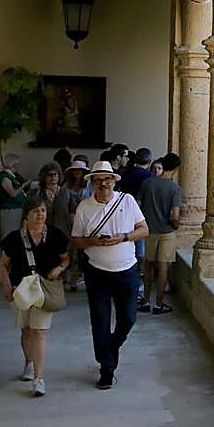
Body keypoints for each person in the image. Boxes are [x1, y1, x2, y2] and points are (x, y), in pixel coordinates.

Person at [71, 161, 148, 390]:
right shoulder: (84, 207)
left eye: (107, 179)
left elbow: (144, 229)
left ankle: (111, 348)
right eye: (98, 180)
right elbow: (75, 241)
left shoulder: (127, 201)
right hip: (97, 274)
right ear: (92, 183)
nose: (103, 183)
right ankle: (107, 368)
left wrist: (123, 237)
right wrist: (92, 241)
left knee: (128, 319)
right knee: (100, 323)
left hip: (127, 271)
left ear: (114, 181)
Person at [0, 197, 70, 396]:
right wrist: (6, 286)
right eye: (36, 211)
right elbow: (3, 264)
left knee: (39, 331)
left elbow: (66, 258)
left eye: (43, 211)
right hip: (20, 289)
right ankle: (28, 362)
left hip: (44, 290)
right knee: (27, 331)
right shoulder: (14, 238)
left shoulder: (55, 235)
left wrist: (59, 268)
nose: (40, 215)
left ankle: (39, 379)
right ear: (26, 215)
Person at [138, 153, 184, 314]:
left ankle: (145, 301)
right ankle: (159, 303)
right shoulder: (175, 188)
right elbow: (175, 215)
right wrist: (175, 225)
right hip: (166, 231)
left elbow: (138, 204)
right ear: (176, 169)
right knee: (163, 266)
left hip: (149, 229)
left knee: (148, 264)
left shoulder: (147, 183)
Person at [118, 147, 155, 300]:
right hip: (140, 215)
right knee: (139, 249)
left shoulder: (126, 173)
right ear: (149, 161)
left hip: (122, 213)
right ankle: (135, 279)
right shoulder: (149, 177)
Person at [29, 162, 76, 240]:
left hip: (64, 234)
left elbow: (72, 215)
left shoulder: (67, 193)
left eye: (55, 174)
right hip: (42, 235)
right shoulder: (38, 194)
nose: (52, 177)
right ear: (44, 177)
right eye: (49, 175)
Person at [0, 153, 28, 237]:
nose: (19, 166)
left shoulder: (11, 176)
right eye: (18, 164)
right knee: (9, 235)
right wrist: (24, 185)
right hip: (9, 210)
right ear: (13, 164)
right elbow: (13, 194)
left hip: (15, 209)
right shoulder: (4, 177)